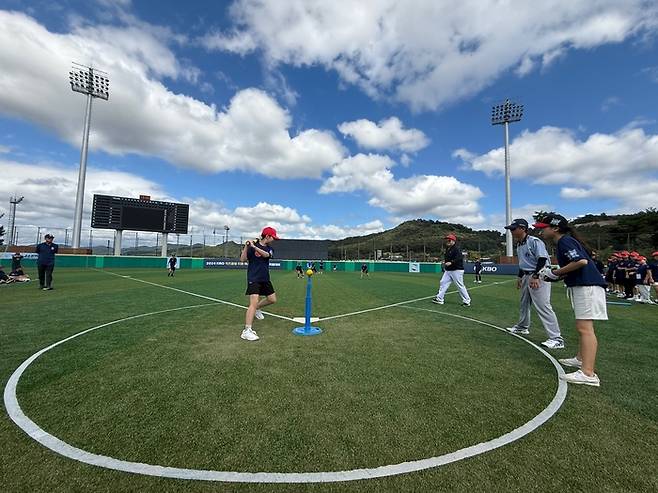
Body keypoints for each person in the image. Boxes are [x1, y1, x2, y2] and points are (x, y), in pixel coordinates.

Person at [534, 213, 606, 387]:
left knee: (585, 328)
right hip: (582, 285)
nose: (540, 233)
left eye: (543, 229)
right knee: (583, 327)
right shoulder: (563, 242)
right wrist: (554, 276)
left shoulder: (565, 241)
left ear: (555, 228)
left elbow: (580, 262)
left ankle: (588, 373)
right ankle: (580, 359)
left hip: (587, 286)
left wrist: (554, 273)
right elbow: (574, 266)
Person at [504, 218, 564, 349]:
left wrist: (536, 276)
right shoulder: (519, 244)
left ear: (522, 229)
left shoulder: (534, 241)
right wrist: (520, 277)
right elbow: (523, 262)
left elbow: (542, 259)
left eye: (513, 229)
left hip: (538, 275)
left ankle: (556, 338)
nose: (511, 231)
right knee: (524, 303)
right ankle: (522, 327)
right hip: (526, 275)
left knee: (543, 305)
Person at [239, 226, 279, 341]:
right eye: (273, 237)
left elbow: (266, 255)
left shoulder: (269, 249)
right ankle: (247, 330)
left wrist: (254, 246)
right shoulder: (252, 247)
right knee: (253, 302)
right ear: (267, 236)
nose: (274, 240)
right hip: (254, 278)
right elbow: (242, 259)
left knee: (272, 299)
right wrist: (246, 247)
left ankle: (257, 309)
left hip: (265, 278)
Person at [432, 233, 471, 306]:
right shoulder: (448, 248)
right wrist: (446, 263)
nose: (447, 241)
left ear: (453, 241)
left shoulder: (456, 249)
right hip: (449, 270)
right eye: (447, 240)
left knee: (460, 285)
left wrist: (451, 262)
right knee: (443, 282)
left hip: (456, 270)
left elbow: (459, 258)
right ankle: (440, 299)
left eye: (449, 240)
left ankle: (467, 301)